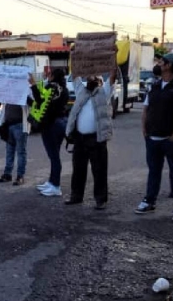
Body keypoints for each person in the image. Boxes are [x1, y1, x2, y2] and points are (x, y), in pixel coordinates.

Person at [135, 53, 173, 222]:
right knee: (153, 171)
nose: (158, 64)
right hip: (152, 138)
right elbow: (146, 108)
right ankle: (149, 200)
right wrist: (144, 130)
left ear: (169, 65)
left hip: (172, 139)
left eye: (161, 62)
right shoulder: (155, 85)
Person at [64, 67, 118, 209]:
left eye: (94, 77)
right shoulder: (81, 91)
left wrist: (114, 57)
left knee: (99, 170)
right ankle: (76, 196)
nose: (91, 77)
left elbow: (112, 76)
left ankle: (100, 200)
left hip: (97, 139)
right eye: (89, 76)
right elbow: (75, 74)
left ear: (100, 82)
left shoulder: (104, 93)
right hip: (80, 139)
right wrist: (74, 56)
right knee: (78, 169)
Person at [31, 68, 69, 197]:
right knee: (55, 154)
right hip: (60, 122)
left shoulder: (52, 87)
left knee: (53, 156)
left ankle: (55, 186)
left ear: (53, 76)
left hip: (51, 124)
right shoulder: (63, 88)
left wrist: (33, 85)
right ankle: (52, 182)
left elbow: (41, 100)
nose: (48, 76)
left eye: (50, 74)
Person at [0, 99, 32, 187]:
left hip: (20, 124)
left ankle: (20, 176)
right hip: (9, 124)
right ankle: (7, 174)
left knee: (20, 152)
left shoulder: (25, 90)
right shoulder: (10, 91)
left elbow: (33, 103)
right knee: (9, 151)